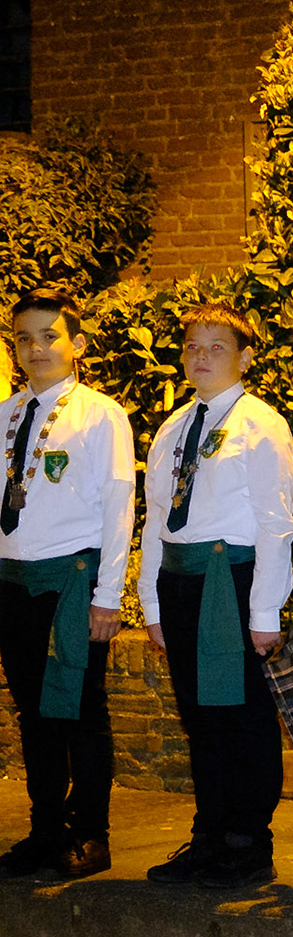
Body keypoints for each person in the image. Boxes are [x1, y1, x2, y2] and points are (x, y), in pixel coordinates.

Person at [139, 303, 293, 889]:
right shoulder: (174, 427)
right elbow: (157, 515)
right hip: (180, 581)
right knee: (199, 716)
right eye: (193, 347)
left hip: (229, 583)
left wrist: (264, 611)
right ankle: (208, 836)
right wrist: (151, 603)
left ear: (245, 357)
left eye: (217, 347)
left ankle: (248, 842)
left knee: (241, 715)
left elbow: (275, 523)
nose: (201, 358)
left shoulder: (261, 424)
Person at [0, 289, 134, 881]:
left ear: (76, 345)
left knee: (80, 710)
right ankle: (45, 829)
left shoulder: (99, 413)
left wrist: (108, 596)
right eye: (24, 338)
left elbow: (118, 506)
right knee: (33, 713)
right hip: (13, 579)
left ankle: (91, 834)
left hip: (71, 581)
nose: (36, 349)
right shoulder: (4, 414)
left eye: (49, 336)